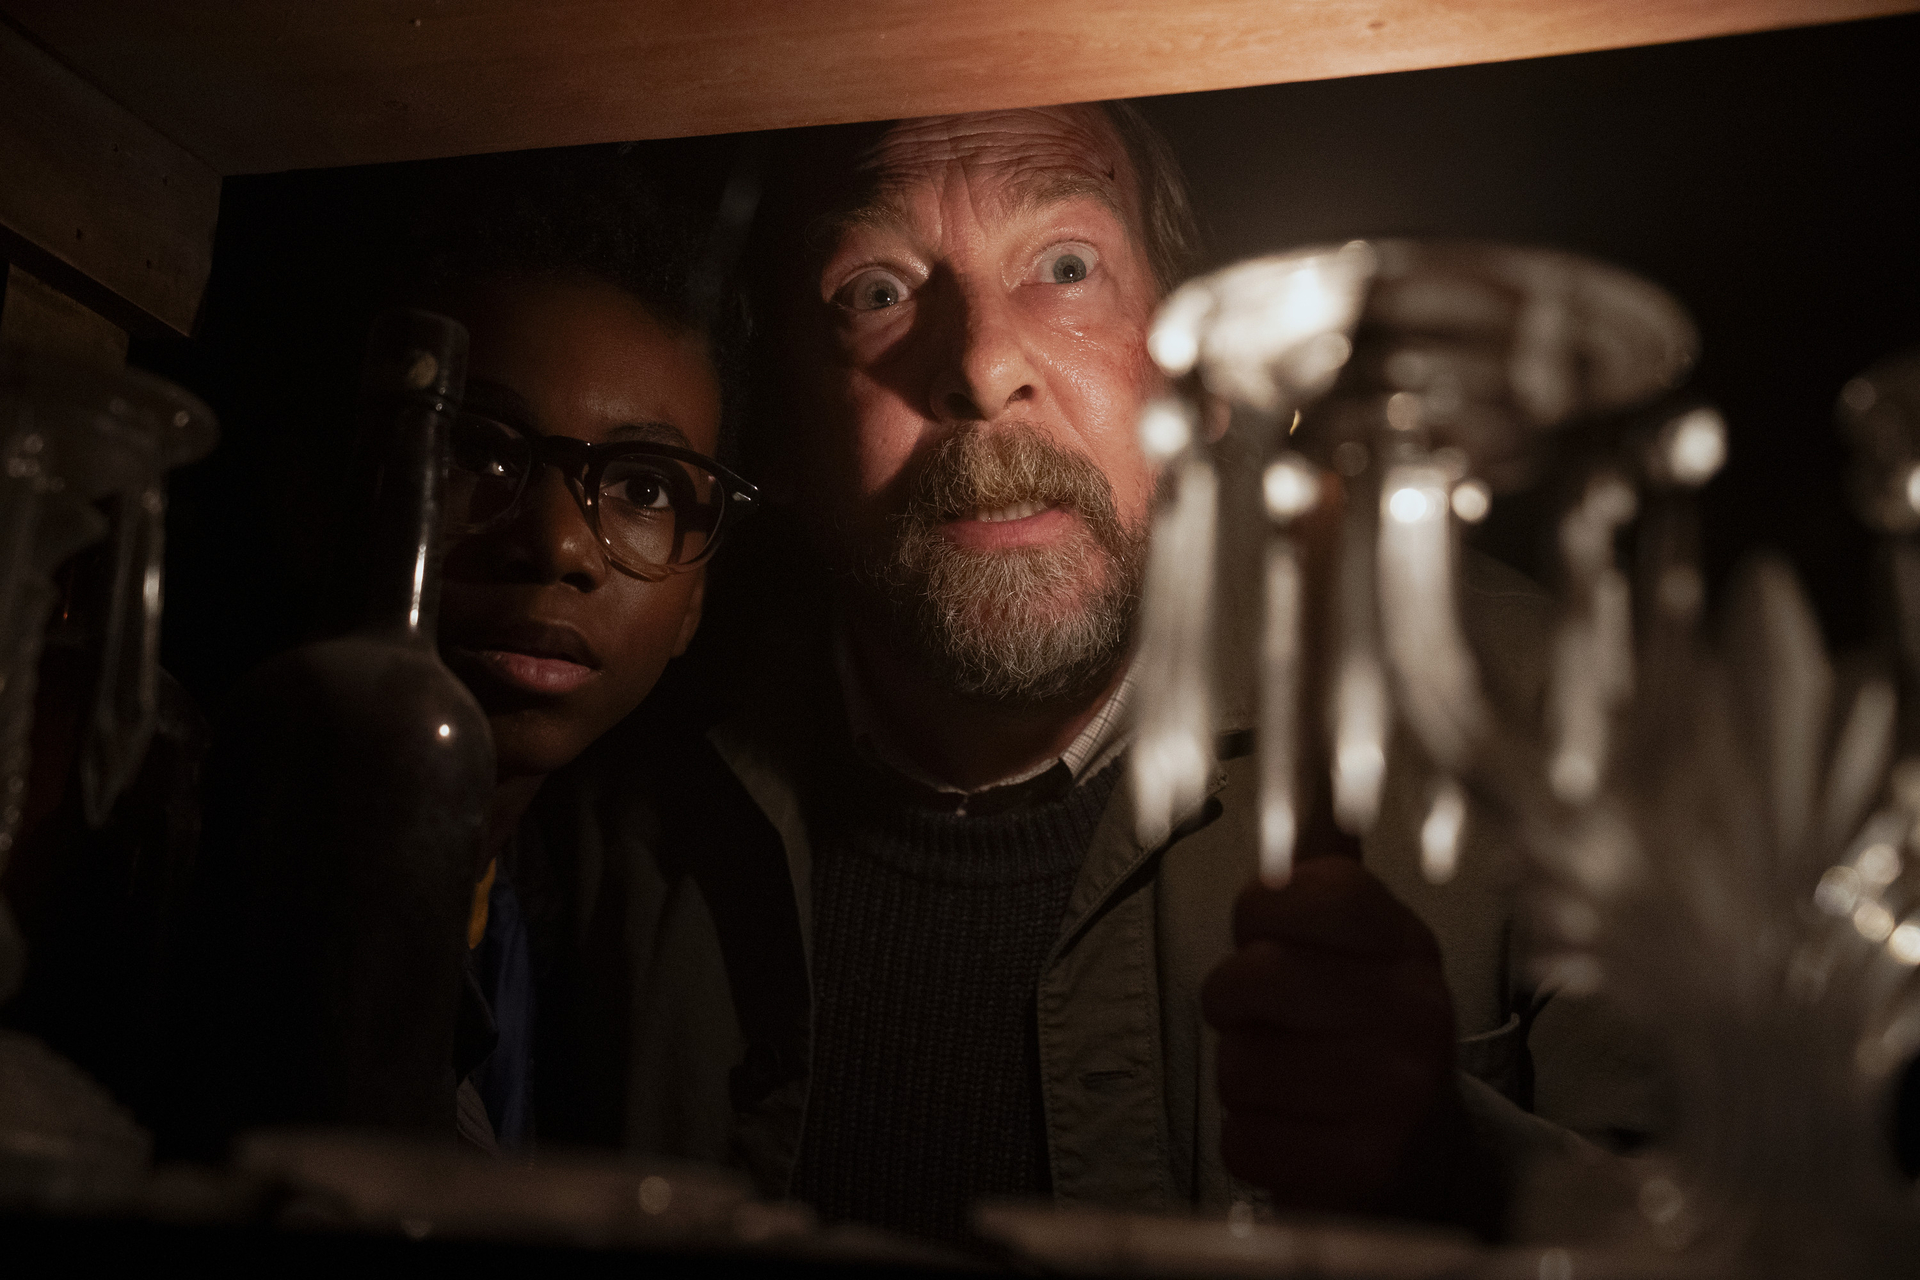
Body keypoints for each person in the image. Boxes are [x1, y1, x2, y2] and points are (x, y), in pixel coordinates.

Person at [540, 101, 1623, 1245]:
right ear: (788, 422)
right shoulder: (621, 759)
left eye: (1065, 266)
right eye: (877, 290)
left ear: (1197, 378)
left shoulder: (1528, 712)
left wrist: (1452, 1168)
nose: (980, 364)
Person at [146, 149, 759, 1155]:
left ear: (696, 600)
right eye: (477, 448)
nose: (557, 543)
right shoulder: (166, 844)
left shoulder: (580, 942)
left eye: (645, 486)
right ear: (316, 498)